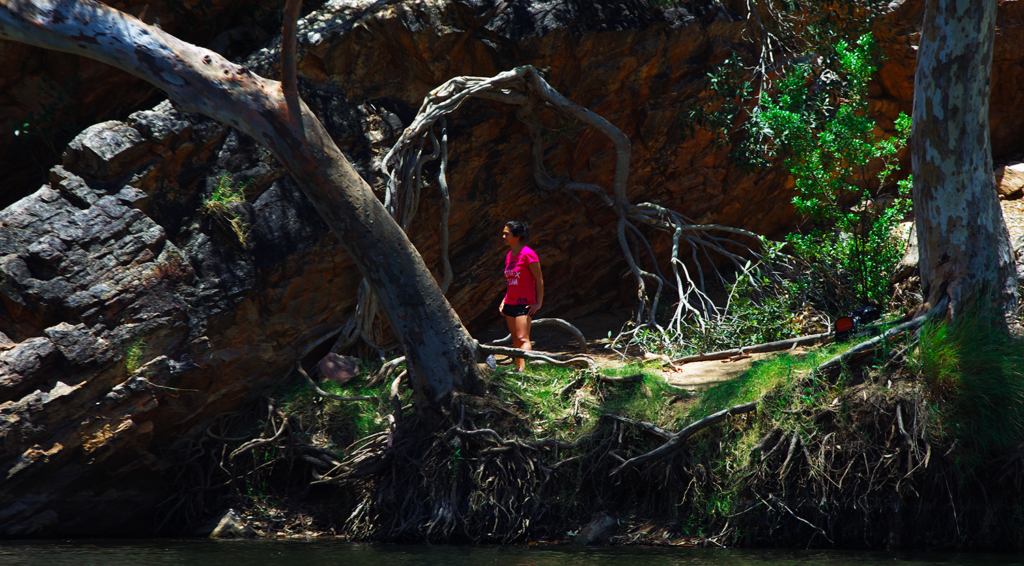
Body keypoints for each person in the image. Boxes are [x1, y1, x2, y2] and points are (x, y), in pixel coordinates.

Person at [498, 220, 544, 372]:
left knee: (523, 338)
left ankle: (524, 371)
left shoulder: (528, 254)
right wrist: (504, 300)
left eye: (506, 234)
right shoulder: (509, 255)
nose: (503, 236)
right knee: (515, 340)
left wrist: (538, 302)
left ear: (517, 236)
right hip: (510, 303)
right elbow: (511, 282)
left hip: (524, 304)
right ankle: (519, 369)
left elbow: (539, 279)